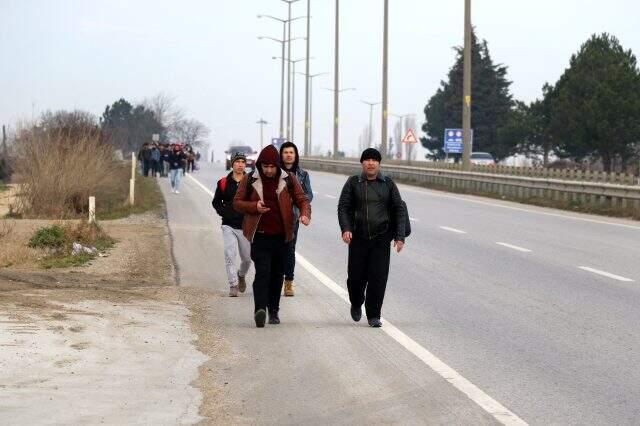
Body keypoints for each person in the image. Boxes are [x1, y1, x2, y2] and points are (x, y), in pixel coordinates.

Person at [233, 145, 311, 328]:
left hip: (282, 237)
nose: (268, 170)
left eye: (272, 166)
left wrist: (305, 213)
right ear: (260, 165)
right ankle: (260, 309)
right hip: (260, 236)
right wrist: (254, 207)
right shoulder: (250, 178)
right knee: (262, 273)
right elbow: (237, 203)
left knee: (277, 275)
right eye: (265, 166)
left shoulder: (289, 179)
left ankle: (274, 310)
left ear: (278, 166)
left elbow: (302, 198)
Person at [337, 148, 406, 328]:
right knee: (355, 278)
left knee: (378, 278)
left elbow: (399, 209)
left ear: (379, 164)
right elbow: (343, 207)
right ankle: (356, 301)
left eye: (374, 160)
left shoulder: (388, 184)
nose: (370, 162)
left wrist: (399, 237)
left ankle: (374, 315)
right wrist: (346, 229)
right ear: (362, 163)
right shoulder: (353, 183)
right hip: (358, 238)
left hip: (381, 239)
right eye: (367, 159)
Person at [212, 152, 252, 297]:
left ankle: (241, 275)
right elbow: (216, 202)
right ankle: (233, 285)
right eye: (237, 162)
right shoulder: (223, 182)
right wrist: (224, 213)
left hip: (245, 226)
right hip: (228, 225)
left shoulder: (251, 182)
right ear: (232, 164)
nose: (240, 164)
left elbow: (256, 201)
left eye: (243, 162)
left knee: (247, 259)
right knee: (230, 254)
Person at [279, 141, 313, 297]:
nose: (288, 155)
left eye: (291, 152)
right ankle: (275, 281)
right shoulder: (274, 172)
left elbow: (308, 195)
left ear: (295, 155)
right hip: (275, 216)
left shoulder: (303, 174)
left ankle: (289, 283)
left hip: (293, 217)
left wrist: (298, 205)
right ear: (281, 155)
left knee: (290, 249)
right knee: (275, 250)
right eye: (285, 152)